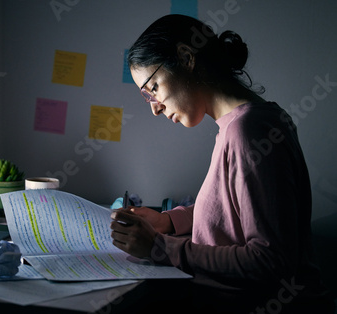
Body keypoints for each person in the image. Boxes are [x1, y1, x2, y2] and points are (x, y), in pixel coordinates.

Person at [110, 14, 335, 313]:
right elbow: (232, 209)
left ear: (186, 57)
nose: (155, 108)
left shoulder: (250, 131)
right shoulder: (245, 123)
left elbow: (269, 260)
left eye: (152, 89)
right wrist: (168, 221)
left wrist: (159, 247)